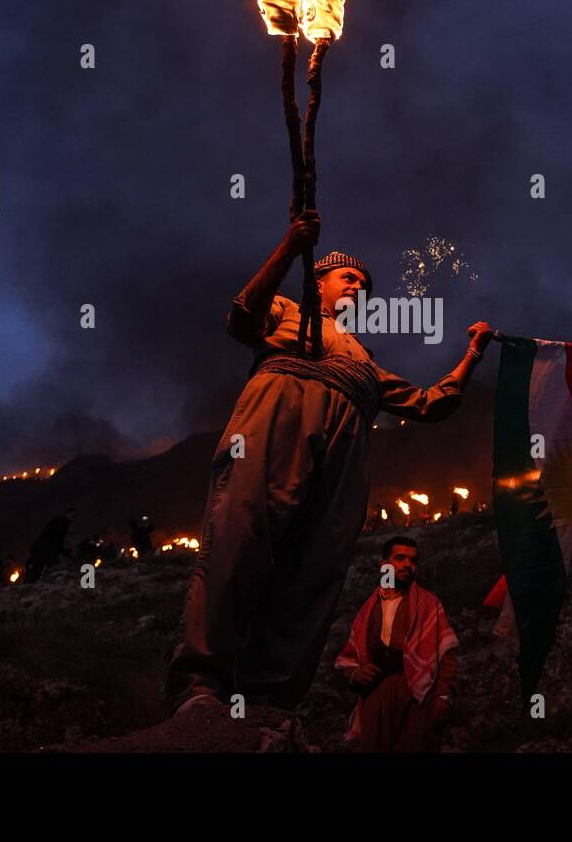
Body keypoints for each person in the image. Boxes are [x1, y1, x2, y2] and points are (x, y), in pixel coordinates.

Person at [166, 209, 492, 717]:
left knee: (315, 569)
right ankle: (200, 685)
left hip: (344, 459)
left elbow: (431, 403)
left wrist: (472, 354)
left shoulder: (364, 358)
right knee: (238, 541)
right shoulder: (285, 311)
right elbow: (241, 318)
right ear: (317, 280)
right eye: (349, 277)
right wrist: (289, 247)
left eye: (364, 283)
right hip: (274, 425)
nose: (358, 288)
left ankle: (268, 696)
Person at [334, 538, 458, 752]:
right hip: (376, 693)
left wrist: (443, 695)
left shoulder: (428, 604)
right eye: (400, 558)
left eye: (413, 560)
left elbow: (445, 655)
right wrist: (356, 673)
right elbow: (350, 657)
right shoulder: (368, 608)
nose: (407, 565)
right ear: (385, 564)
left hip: (416, 694)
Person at [25, 511, 76, 583]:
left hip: (41, 546)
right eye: (73, 517)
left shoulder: (57, 522)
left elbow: (56, 539)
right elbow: (57, 540)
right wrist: (65, 552)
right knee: (45, 565)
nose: (73, 520)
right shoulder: (62, 523)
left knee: (38, 566)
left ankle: (33, 581)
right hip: (45, 547)